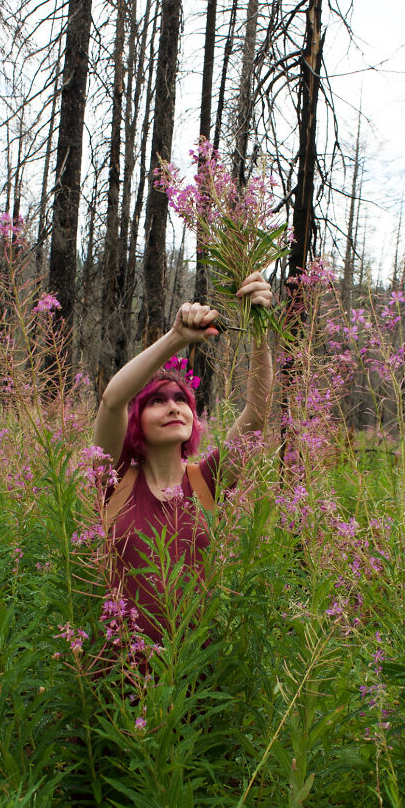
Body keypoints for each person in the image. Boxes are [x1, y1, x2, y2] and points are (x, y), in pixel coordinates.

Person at [93, 271, 274, 644]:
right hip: (120, 680)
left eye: (182, 401)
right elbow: (113, 400)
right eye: (156, 401)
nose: (173, 407)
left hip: (194, 677)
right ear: (134, 420)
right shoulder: (113, 480)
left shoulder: (206, 481)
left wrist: (258, 327)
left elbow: (257, 413)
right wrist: (176, 337)